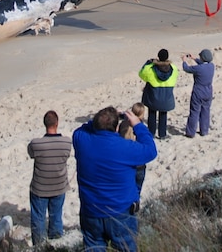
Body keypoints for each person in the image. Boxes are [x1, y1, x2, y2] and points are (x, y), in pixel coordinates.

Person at [73, 106, 158, 252]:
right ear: (117, 127)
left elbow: (82, 128)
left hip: (91, 211)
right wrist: (137, 124)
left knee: (94, 247)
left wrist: (101, 119)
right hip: (120, 212)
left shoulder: (81, 140)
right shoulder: (126, 147)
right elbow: (151, 150)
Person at [27, 110, 72, 246]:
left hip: (40, 187)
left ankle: (40, 246)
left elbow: (31, 153)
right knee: (56, 216)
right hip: (59, 185)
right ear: (57, 123)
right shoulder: (66, 143)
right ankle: (57, 242)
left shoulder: (36, 144)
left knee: (38, 218)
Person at [139, 48, 178, 139]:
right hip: (166, 97)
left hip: (154, 96)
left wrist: (149, 63)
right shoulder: (173, 68)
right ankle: (162, 134)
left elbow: (141, 74)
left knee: (152, 114)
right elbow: (176, 75)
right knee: (163, 114)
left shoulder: (151, 69)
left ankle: (151, 133)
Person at [182, 49, 215, 137]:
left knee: (194, 112)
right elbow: (203, 64)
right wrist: (194, 58)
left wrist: (184, 61)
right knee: (205, 111)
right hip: (208, 91)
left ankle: (190, 132)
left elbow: (186, 69)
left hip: (198, 91)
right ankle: (204, 130)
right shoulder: (211, 66)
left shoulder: (198, 68)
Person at [118, 103, 147, 197]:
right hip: (139, 165)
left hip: (125, 164)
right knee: (137, 190)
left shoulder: (123, 125)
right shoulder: (140, 128)